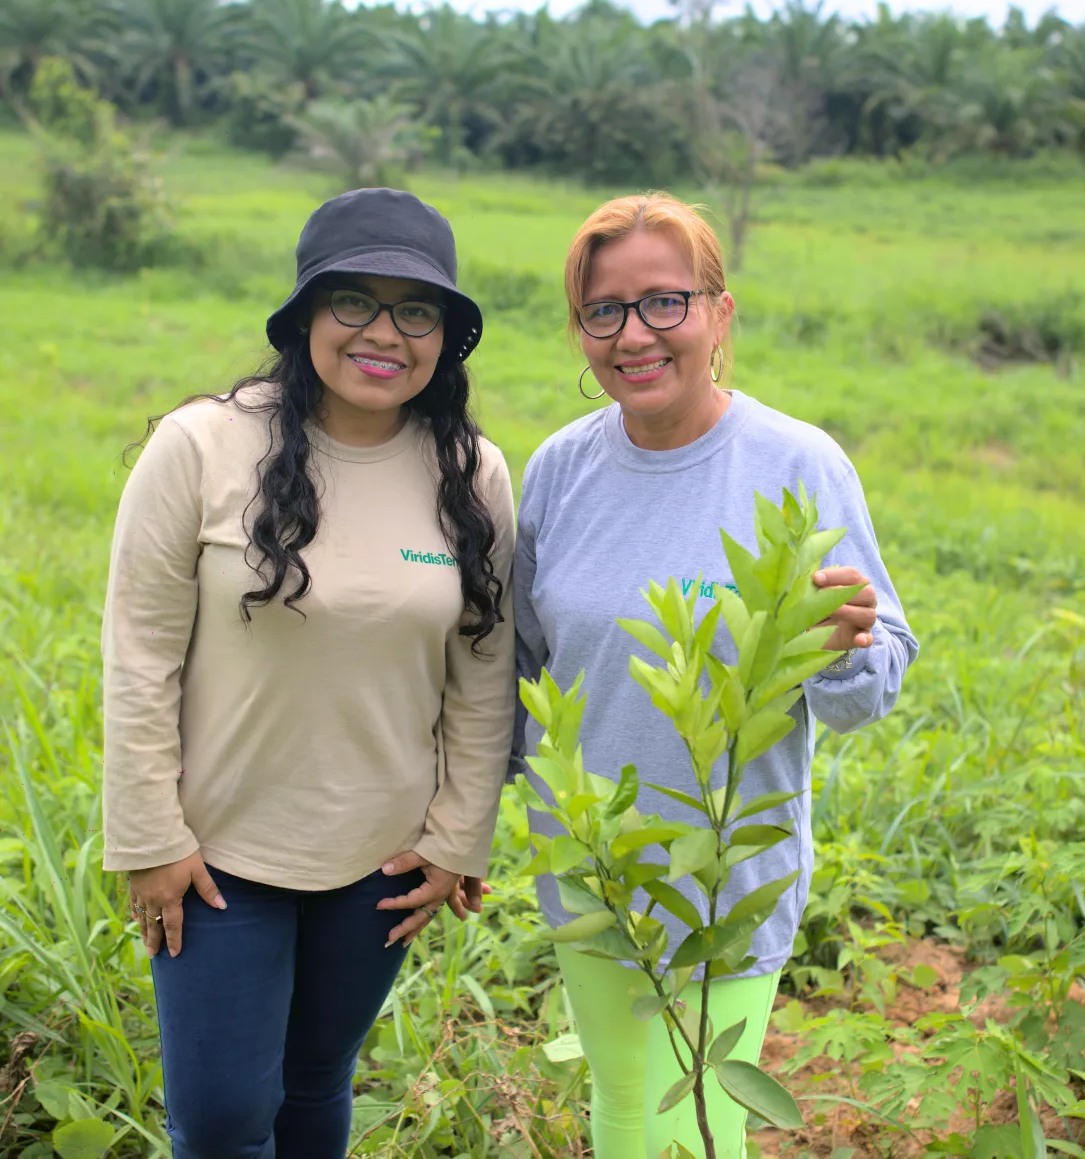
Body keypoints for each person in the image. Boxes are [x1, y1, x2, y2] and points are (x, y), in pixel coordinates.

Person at [101, 188, 516, 1159]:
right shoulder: (200, 447)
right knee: (219, 1122)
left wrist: (461, 834)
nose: (385, 333)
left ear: (446, 335)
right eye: (354, 302)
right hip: (214, 858)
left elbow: (484, 671)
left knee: (317, 1081)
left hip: (381, 858)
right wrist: (147, 833)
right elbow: (138, 655)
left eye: (416, 310)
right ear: (305, 317)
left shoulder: (472, 472)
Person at [513, 193, 919, 1159]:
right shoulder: (559, 471)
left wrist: (846, 648)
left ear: (718, 314)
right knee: (621, 1109)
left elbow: (873, 683)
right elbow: (518, 669)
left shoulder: (795, 464)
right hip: (592, 864)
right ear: (580, 330)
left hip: (729, 883)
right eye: (604, 310)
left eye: (666, 302)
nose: (635, 335)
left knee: (695, 1130)